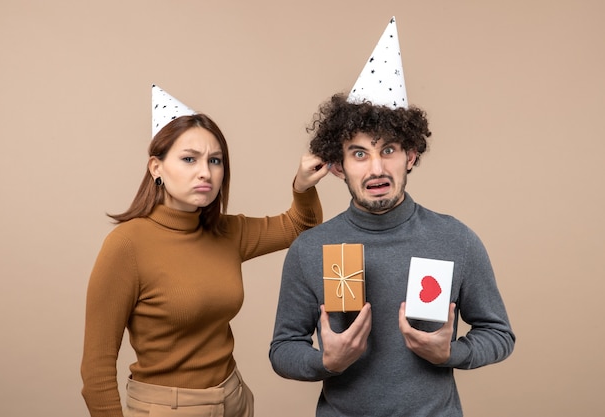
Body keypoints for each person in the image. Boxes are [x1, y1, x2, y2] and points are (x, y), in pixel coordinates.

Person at [81, 87, 329, 417]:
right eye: (189, 159)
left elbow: (300, 226)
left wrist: (301, 185)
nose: (205, 172)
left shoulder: (227, 232)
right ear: (156, 167)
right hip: (168, 408)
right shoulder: (127, 245)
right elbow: (96, 370)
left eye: (215, 161)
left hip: (234, 399)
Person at [269, 93, 515, 417]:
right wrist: (326, 362)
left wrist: (450, 353)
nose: (377, 168)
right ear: (338, 167)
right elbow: (283, 349)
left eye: (388, 150)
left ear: (410, 156)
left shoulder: (456, 240)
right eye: (359, 154)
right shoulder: (310, 248)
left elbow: (499, 334)